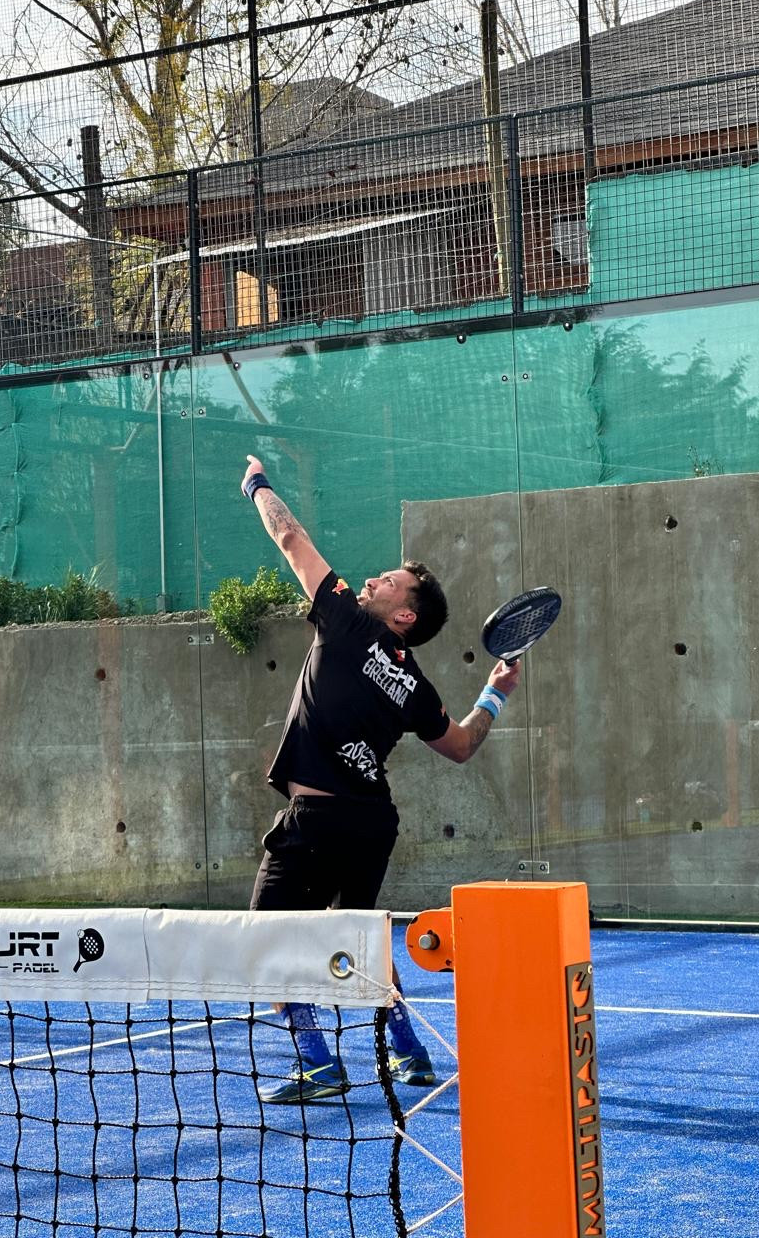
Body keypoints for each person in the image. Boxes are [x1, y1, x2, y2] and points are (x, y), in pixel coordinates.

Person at [241, 454, 521, 1104]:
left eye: (389, 581)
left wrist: (256, 484)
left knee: (263, 942)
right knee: (357, 938)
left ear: (404, 617)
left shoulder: (348, 619)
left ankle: (318, 1063)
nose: (372, 579)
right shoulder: (416, 686)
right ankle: (410, 1052)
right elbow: (461, 745)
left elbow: (289, 536)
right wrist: (495, 694)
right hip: (371, 824)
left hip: (318, 820)